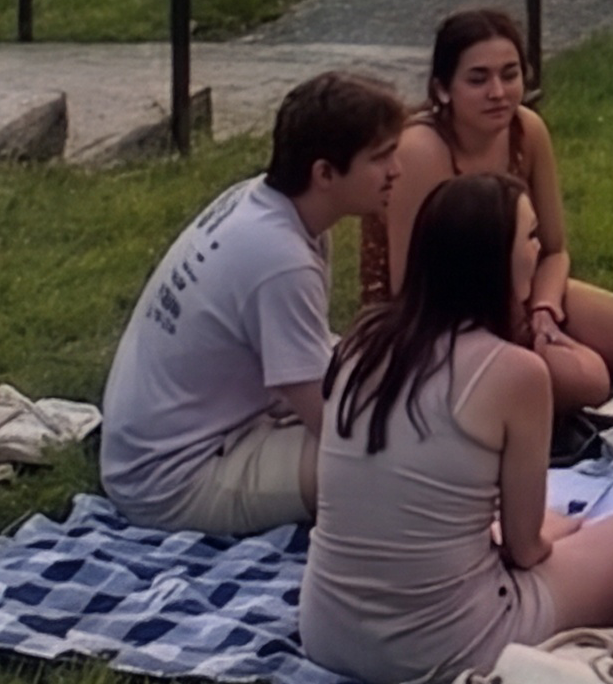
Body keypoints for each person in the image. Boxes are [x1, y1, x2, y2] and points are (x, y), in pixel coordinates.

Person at [301, 171, 613, 684]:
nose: (539, 249)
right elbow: (526, 549)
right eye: (530, 237)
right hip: (449, 647)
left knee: (556, 527)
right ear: (497, 261)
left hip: (327, 632)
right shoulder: (515, 372)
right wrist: (556, 532)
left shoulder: (363, 341)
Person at [99, 71, 406, 535]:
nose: (396, 170)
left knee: (400, 407)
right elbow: (333, 423)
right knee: (401, 462)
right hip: (174, 481)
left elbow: (309, 365)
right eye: (380, 158)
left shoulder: (266, 206)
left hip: (175, 444)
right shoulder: (279, 258)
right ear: (324, 173)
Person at [365, 8, 613, 405]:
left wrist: (544, 310)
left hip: (523, 295)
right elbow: (410, 288)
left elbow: (555, 249)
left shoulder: (527, 131)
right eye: (478, 79)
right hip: (439, 323)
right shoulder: (421, 150)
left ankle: (573, 371)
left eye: (510, 75)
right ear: (442, 89)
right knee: (586, 382)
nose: (498, 92)